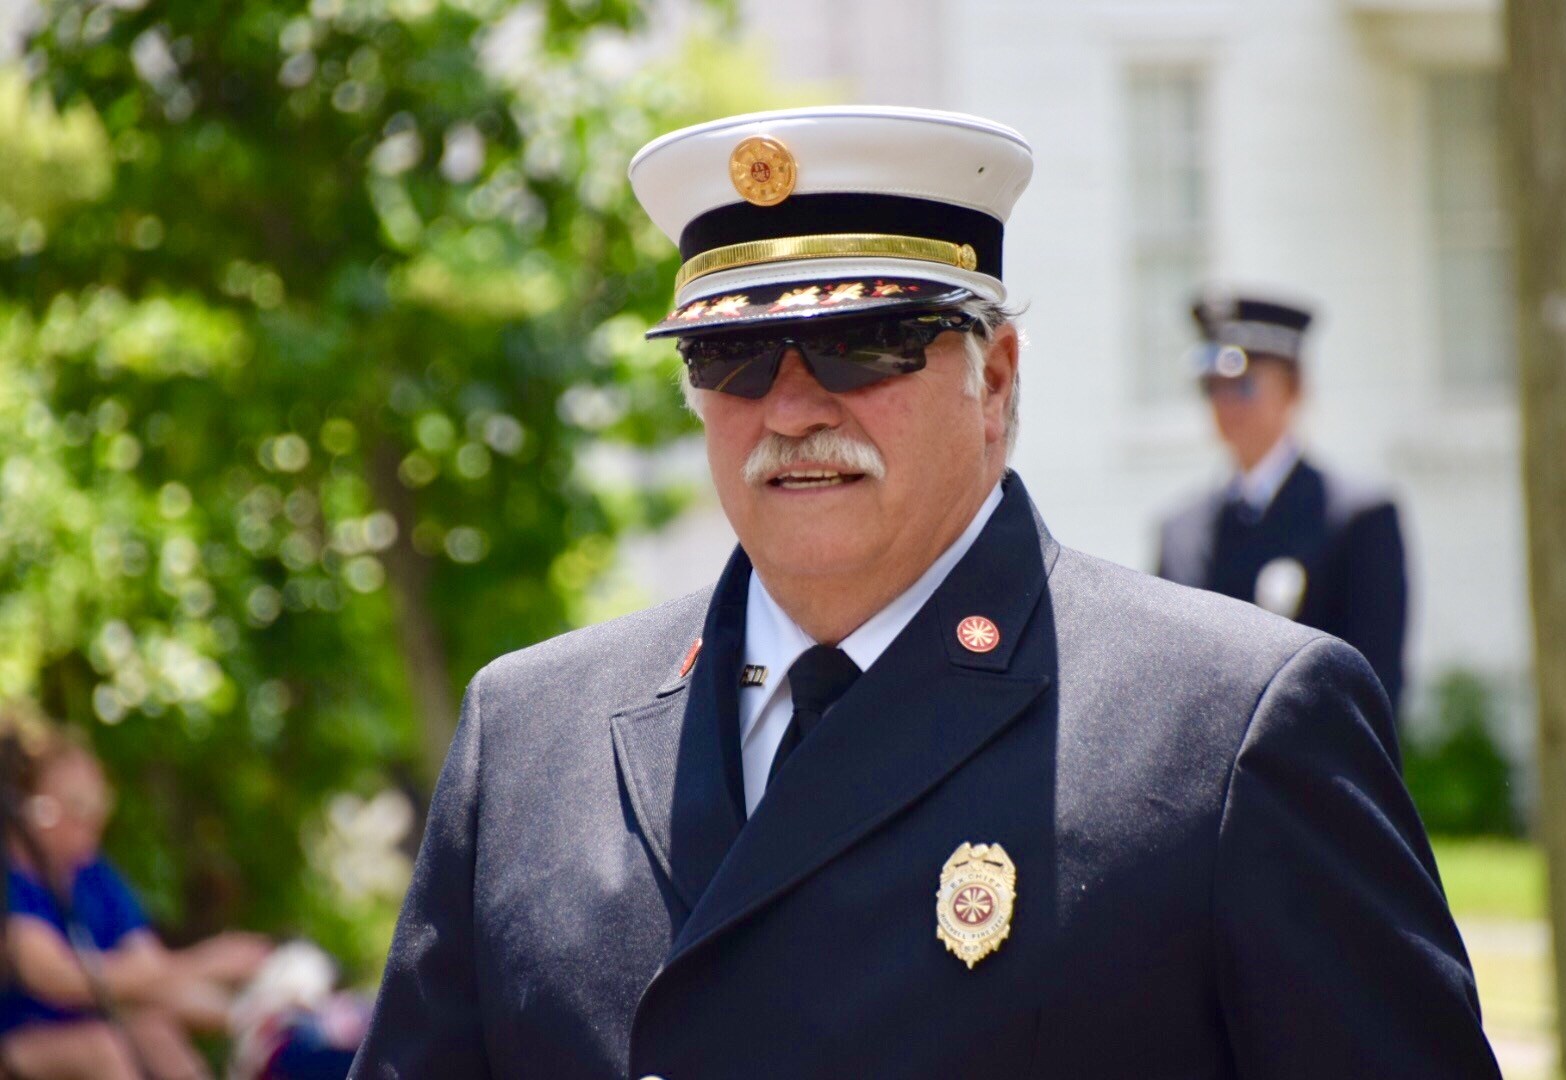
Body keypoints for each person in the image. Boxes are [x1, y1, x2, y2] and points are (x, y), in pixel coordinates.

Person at [352, 107, 1497, 1078]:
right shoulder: (530, 736)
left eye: (863, 343)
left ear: (993, 376)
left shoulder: (1228, 731)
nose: (793, 409)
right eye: (733, 358)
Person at [1156, 294, 1410, 722]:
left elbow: (1375, 690)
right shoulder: (1182, 531)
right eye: (1211, 386)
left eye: (1244, 384)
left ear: (1294, 389)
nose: (1225, 402)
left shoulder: (1356, 517)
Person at [0, 713, 271, 1080]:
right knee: (101, 1048)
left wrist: (253, 1014)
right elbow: (60, 978)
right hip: (17, 1043)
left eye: (100, 803)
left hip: (83, 1028)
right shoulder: (11, 882)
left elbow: (150, 971)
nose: (94, 818)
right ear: (32, 808)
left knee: (153, 1029)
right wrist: (205, 962)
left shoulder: (95, 874)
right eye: (78, 805)